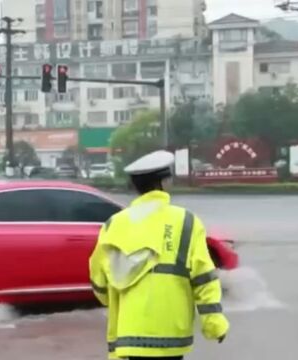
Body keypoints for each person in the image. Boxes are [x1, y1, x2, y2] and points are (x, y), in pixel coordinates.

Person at [89, 150, 229, 360]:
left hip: (130, 333)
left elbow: (98, 281)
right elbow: (204, 279)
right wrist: (213, 323)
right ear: (163, 183)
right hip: (171, 334)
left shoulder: (113, 224)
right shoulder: (186, 221)